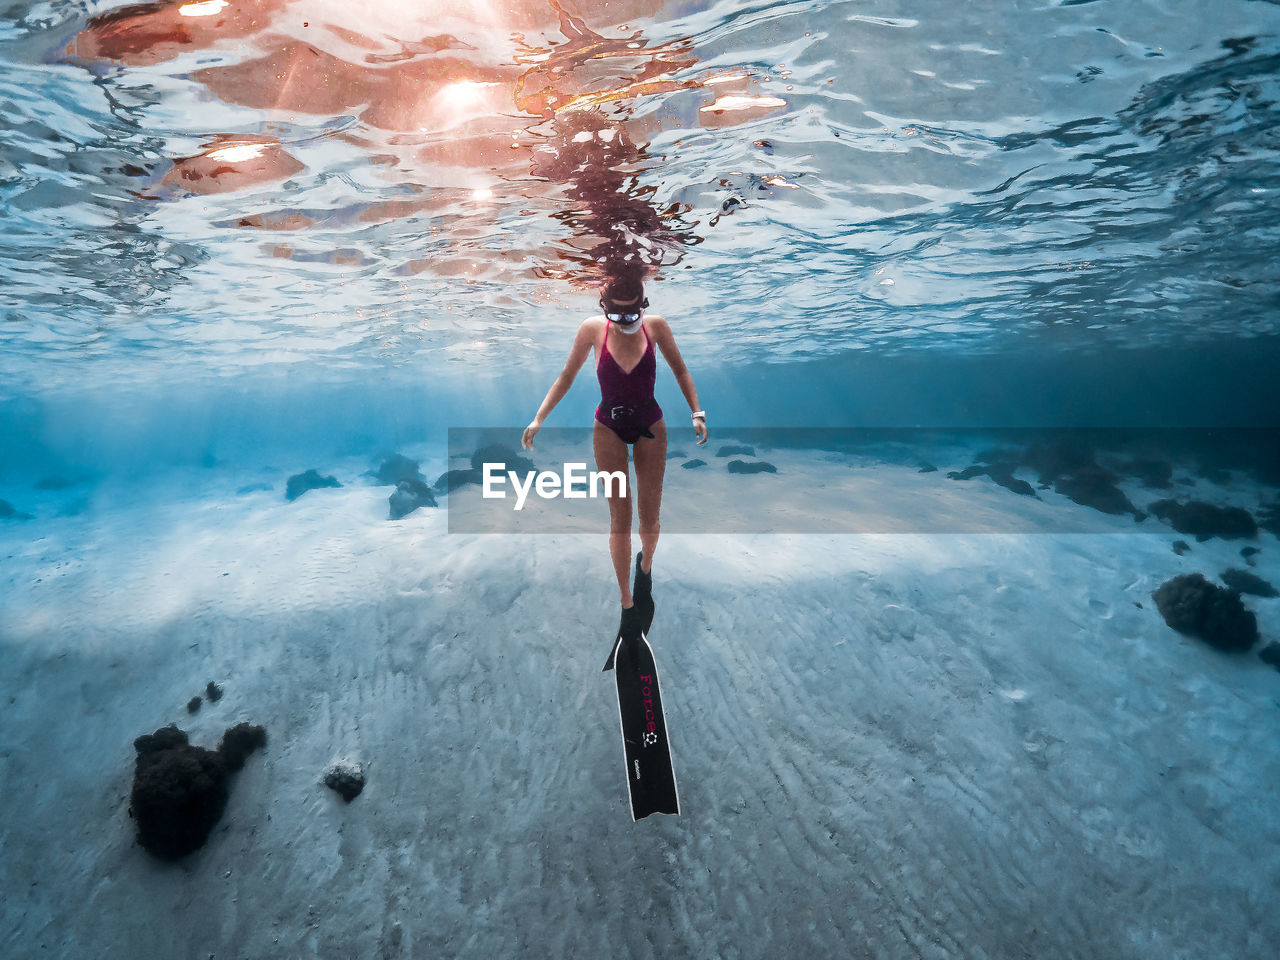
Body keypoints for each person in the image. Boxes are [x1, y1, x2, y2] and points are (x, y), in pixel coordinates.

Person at [522, 271, 707, 640]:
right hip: (607, 427)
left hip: (650, 425)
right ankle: (627, 607)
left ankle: (646, 569)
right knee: (619, 521)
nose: (624, 323)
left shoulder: (656, 327)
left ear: (643, 306)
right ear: (604, 309)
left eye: (631, 316)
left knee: (649, 521)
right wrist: (538, 417)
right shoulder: (592, 329)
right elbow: (565, 377)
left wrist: (696, 411)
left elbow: (681, 370)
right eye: (617, 317)